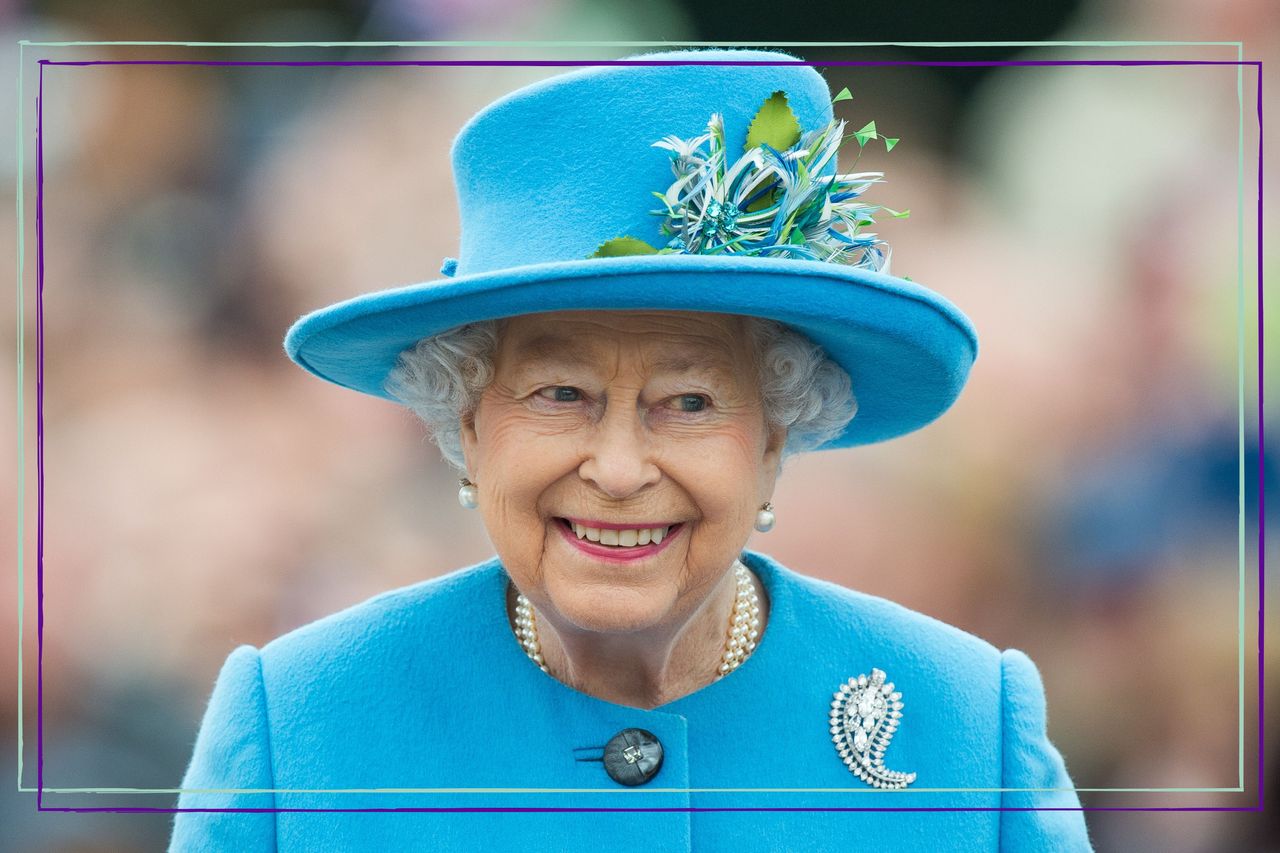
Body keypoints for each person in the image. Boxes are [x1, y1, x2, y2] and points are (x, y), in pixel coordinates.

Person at [170, 48, 1093, 852]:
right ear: (465, 426)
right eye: (559, 394)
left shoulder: (967, 723)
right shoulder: (299, 725)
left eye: (688, 401)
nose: (617, 469)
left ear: (775, 435)